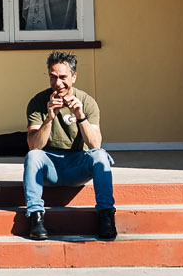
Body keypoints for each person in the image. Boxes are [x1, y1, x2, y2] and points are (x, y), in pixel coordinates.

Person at [21, 51, 115, 241]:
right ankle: (36, 218)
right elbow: (34, 146)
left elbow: (95, 144)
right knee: (32, 157)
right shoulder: (38, 102)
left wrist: (81, 116)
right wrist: (49, 117)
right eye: (53, 77)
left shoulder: (87, 102)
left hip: (77, 166)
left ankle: (106, 216)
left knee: (101, 155)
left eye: (63, 77)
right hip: (51, 167)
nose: (58, 83)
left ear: (74, 77)